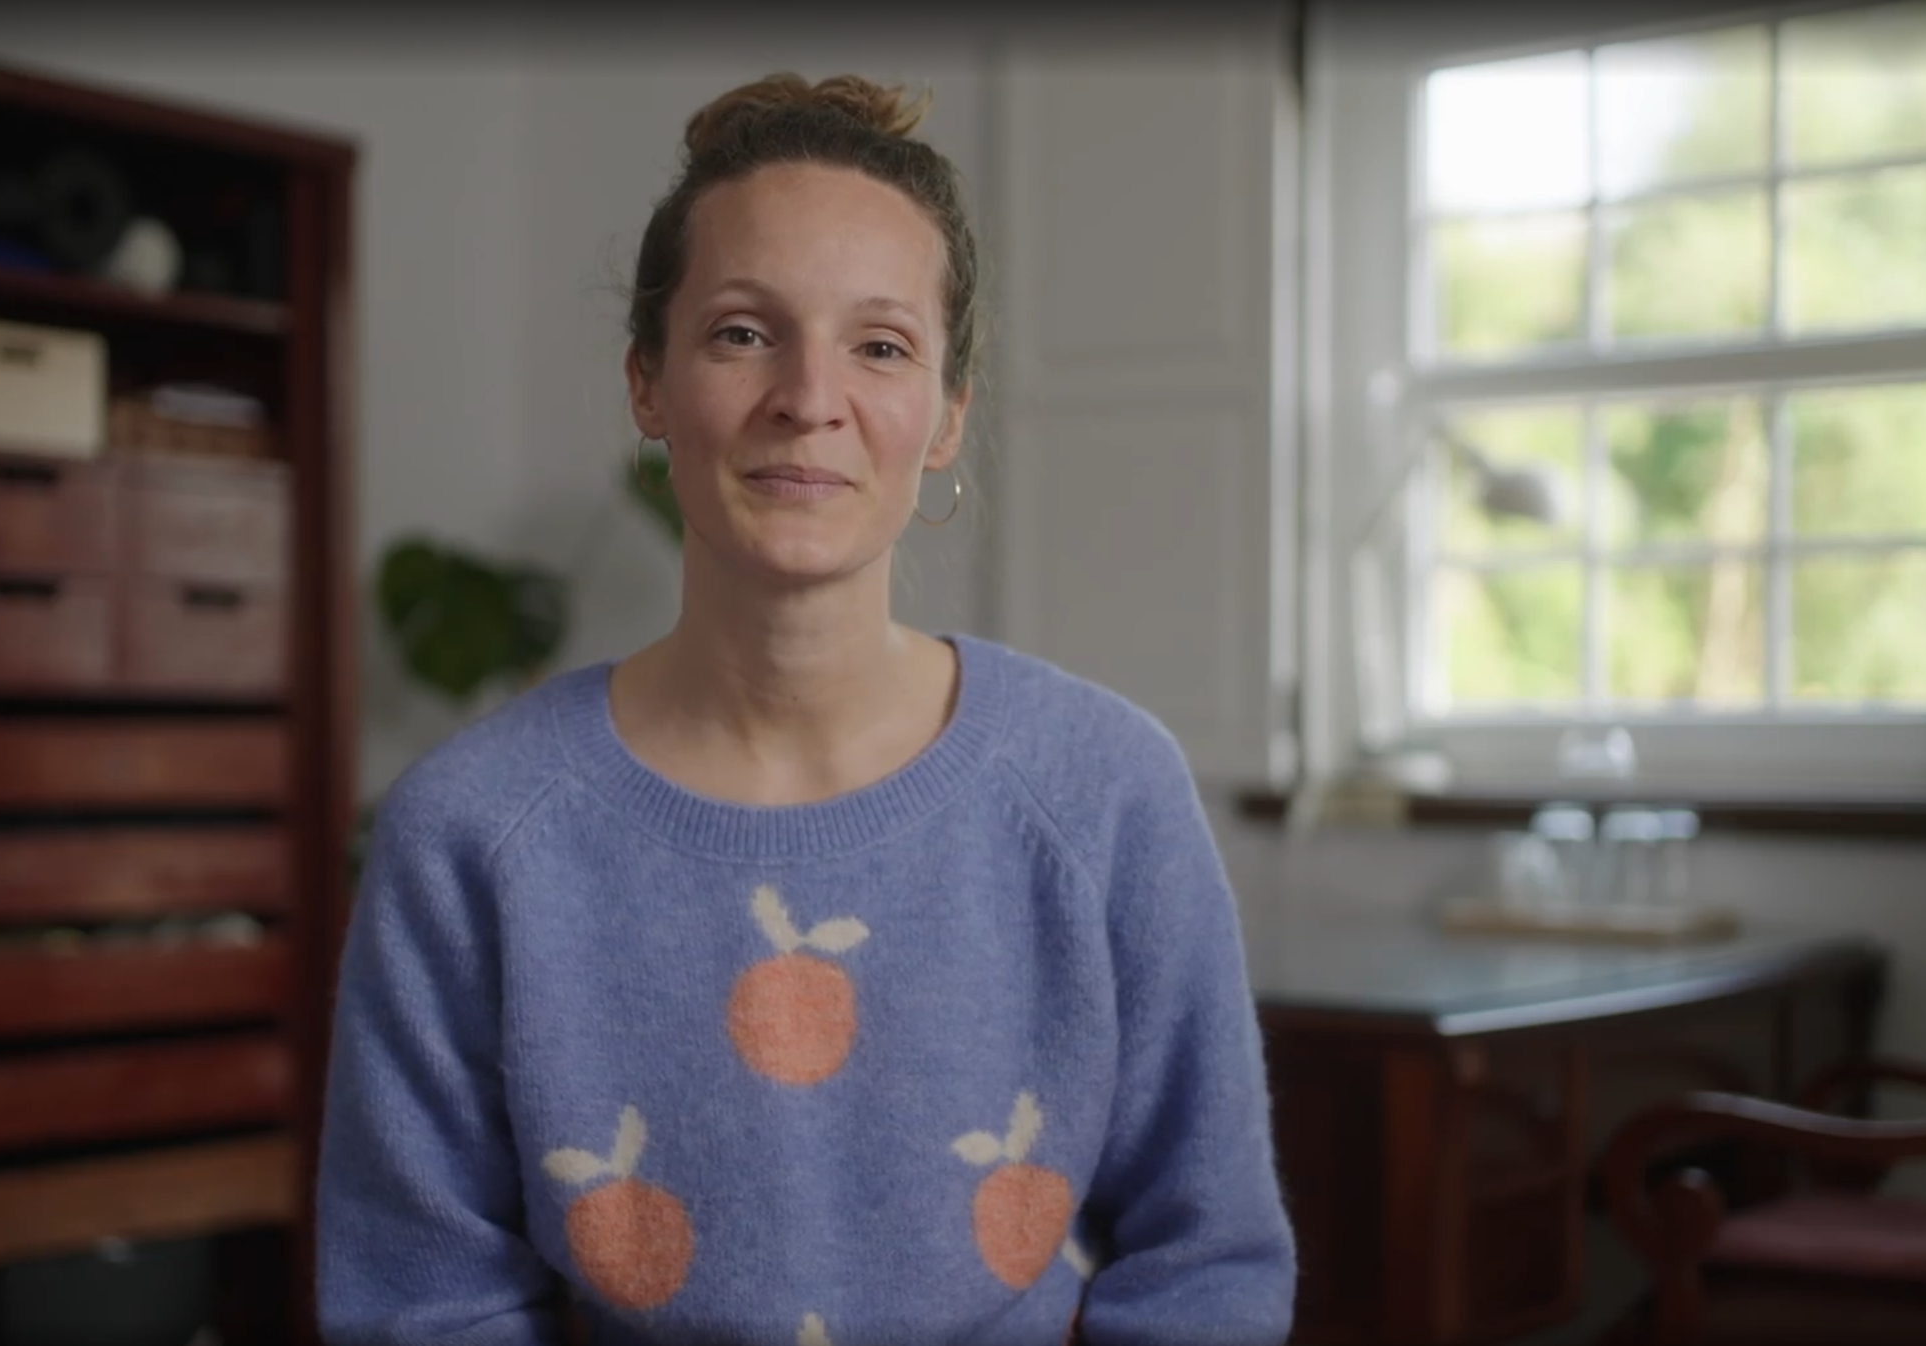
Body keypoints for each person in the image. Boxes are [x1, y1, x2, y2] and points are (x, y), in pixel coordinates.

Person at [317, 71, 1295, 1346]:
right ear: (647, 386)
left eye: (880, 345)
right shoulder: (468, 829)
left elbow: (1205, 1261)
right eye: (740, 331)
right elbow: (423, 1305)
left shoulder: (1105, 789)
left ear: (944, 416)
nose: (808, 396)